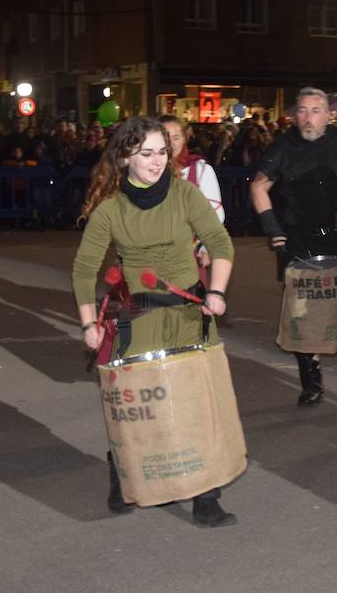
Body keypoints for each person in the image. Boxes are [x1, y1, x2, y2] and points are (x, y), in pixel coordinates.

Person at [72, 116, 239, 528]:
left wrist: (216, 292)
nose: (157, 160)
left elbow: (220, 242)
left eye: (163, 152)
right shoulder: (110, 210)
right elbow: (83, 269)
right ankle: (123, 474)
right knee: (142, 405)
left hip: (188, 313)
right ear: (126, 155)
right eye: (146, 153)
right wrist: (89, 324)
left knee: (196, 403)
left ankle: (205, 494)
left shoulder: (185, 194)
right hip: (139, 317)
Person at [249, 87, 337, 407]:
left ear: (328, 115)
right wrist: (272, 229)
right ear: (294, 114)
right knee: (302, 312)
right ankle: (311, 382)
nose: (308, 117)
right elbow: (258, 186)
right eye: (302, 110)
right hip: (298, 236)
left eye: (315, 110)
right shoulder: (284, 145)